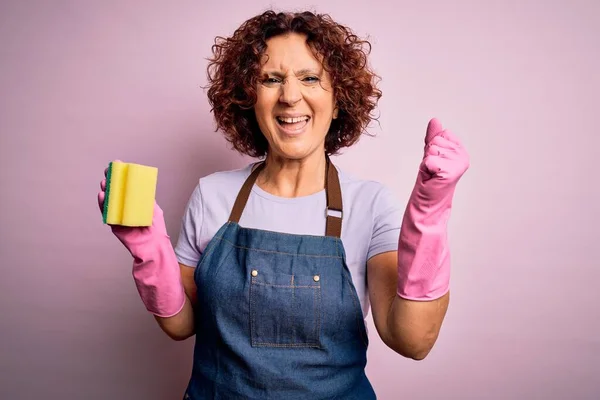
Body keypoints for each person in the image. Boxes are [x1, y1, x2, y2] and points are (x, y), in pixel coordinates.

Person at [97, 10, 469, 400]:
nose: (290, 96)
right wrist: (148, 251)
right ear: (249, 99)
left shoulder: (371, 205)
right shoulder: (212, 195)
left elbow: (413, 340)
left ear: (339, 101)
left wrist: (429, 213)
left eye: (310, 78)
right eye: (271, 79)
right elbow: (181, 325)